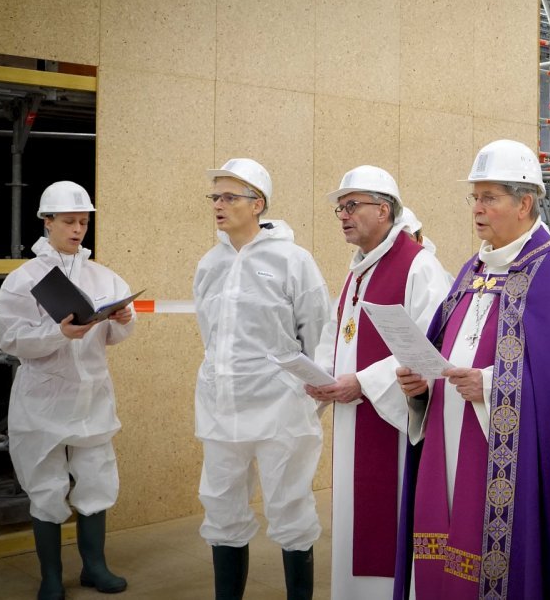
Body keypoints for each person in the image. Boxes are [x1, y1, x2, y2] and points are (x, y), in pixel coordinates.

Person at [392, 140, 550, 600]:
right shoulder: (472, 272)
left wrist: (491, 386)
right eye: (474, 197)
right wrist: (421, 387)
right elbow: (443, 351)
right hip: (446, 449)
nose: (477, 209)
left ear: (525, 202)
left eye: (489, 197)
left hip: (507, 468)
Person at [304, 166, 451, 598]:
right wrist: (321, 377)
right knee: (353, 525)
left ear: (383, 210)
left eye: (352, 206)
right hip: (354, 419)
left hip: (391, 424)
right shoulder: (360, 269)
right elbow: (338, 333)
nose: (343, 215)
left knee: (386, 528)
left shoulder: (418, 265)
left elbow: (429, 345)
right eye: (340, 208)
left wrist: (364, 384)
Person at [193, 158, 331, 600]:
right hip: (221, 410)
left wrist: (306, 395)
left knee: (290, 508)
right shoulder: (209, 264)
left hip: (281, 410)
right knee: (222, 508)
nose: (219, 204)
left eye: (230, 196)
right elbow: (210, 336)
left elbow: (317, 331)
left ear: (258, 205)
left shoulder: (293, 260)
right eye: (215, 196)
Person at [0, 181, 134, 599]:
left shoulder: (104, 276)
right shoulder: (24, 280)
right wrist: (59, 333)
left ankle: (95, 567)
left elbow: (112, 338)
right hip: (43, 401)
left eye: (84, 222)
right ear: (47, 221)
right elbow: (11, 340)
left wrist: (122, 319)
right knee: (47, 487)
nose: (78, 229)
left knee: (96, 482)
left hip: (92, 398)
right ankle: (51, 576)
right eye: (70, 221)